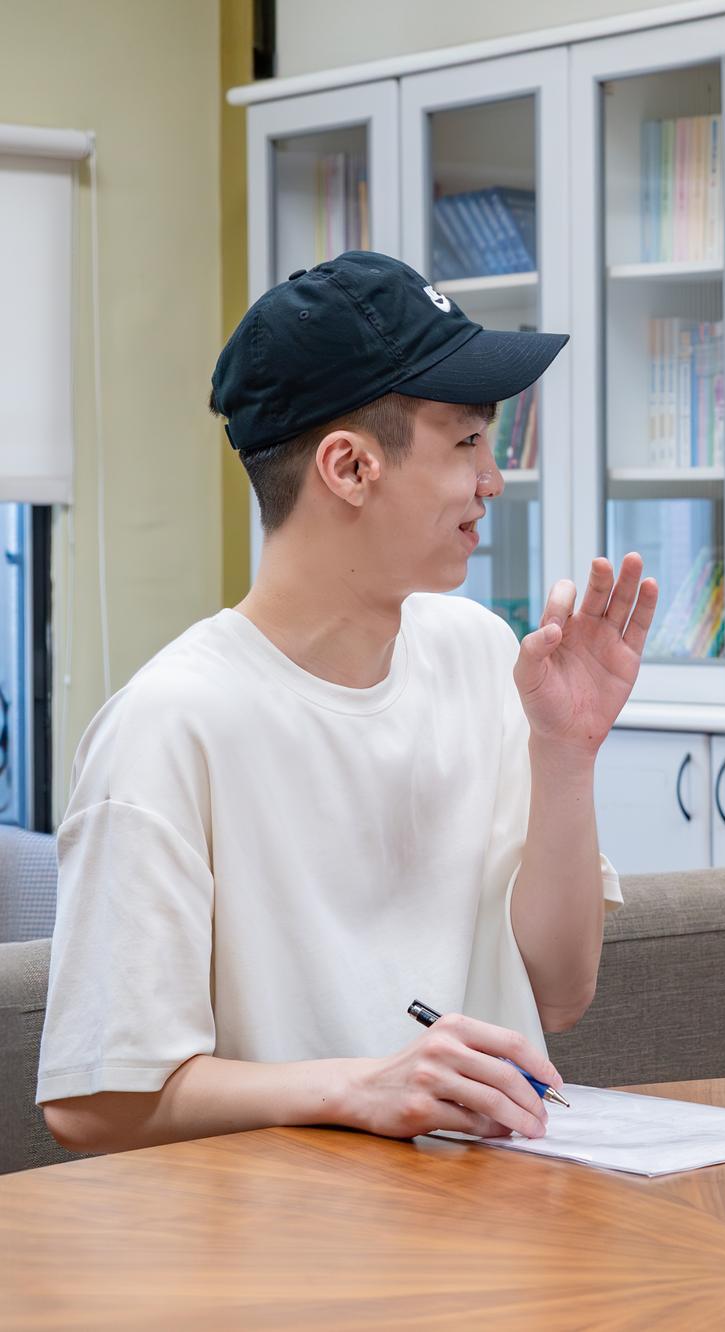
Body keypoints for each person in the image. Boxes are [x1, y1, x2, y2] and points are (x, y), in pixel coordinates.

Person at [37, 251, 657, 1154]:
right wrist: (363, 1089)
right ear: (349, 466)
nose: (494, 477)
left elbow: (558, 995)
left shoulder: (481, 652)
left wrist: (567, 754)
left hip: (491, 1214)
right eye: (466, 441)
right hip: (297, 1251)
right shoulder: (171, 725)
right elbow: (93, 1105)